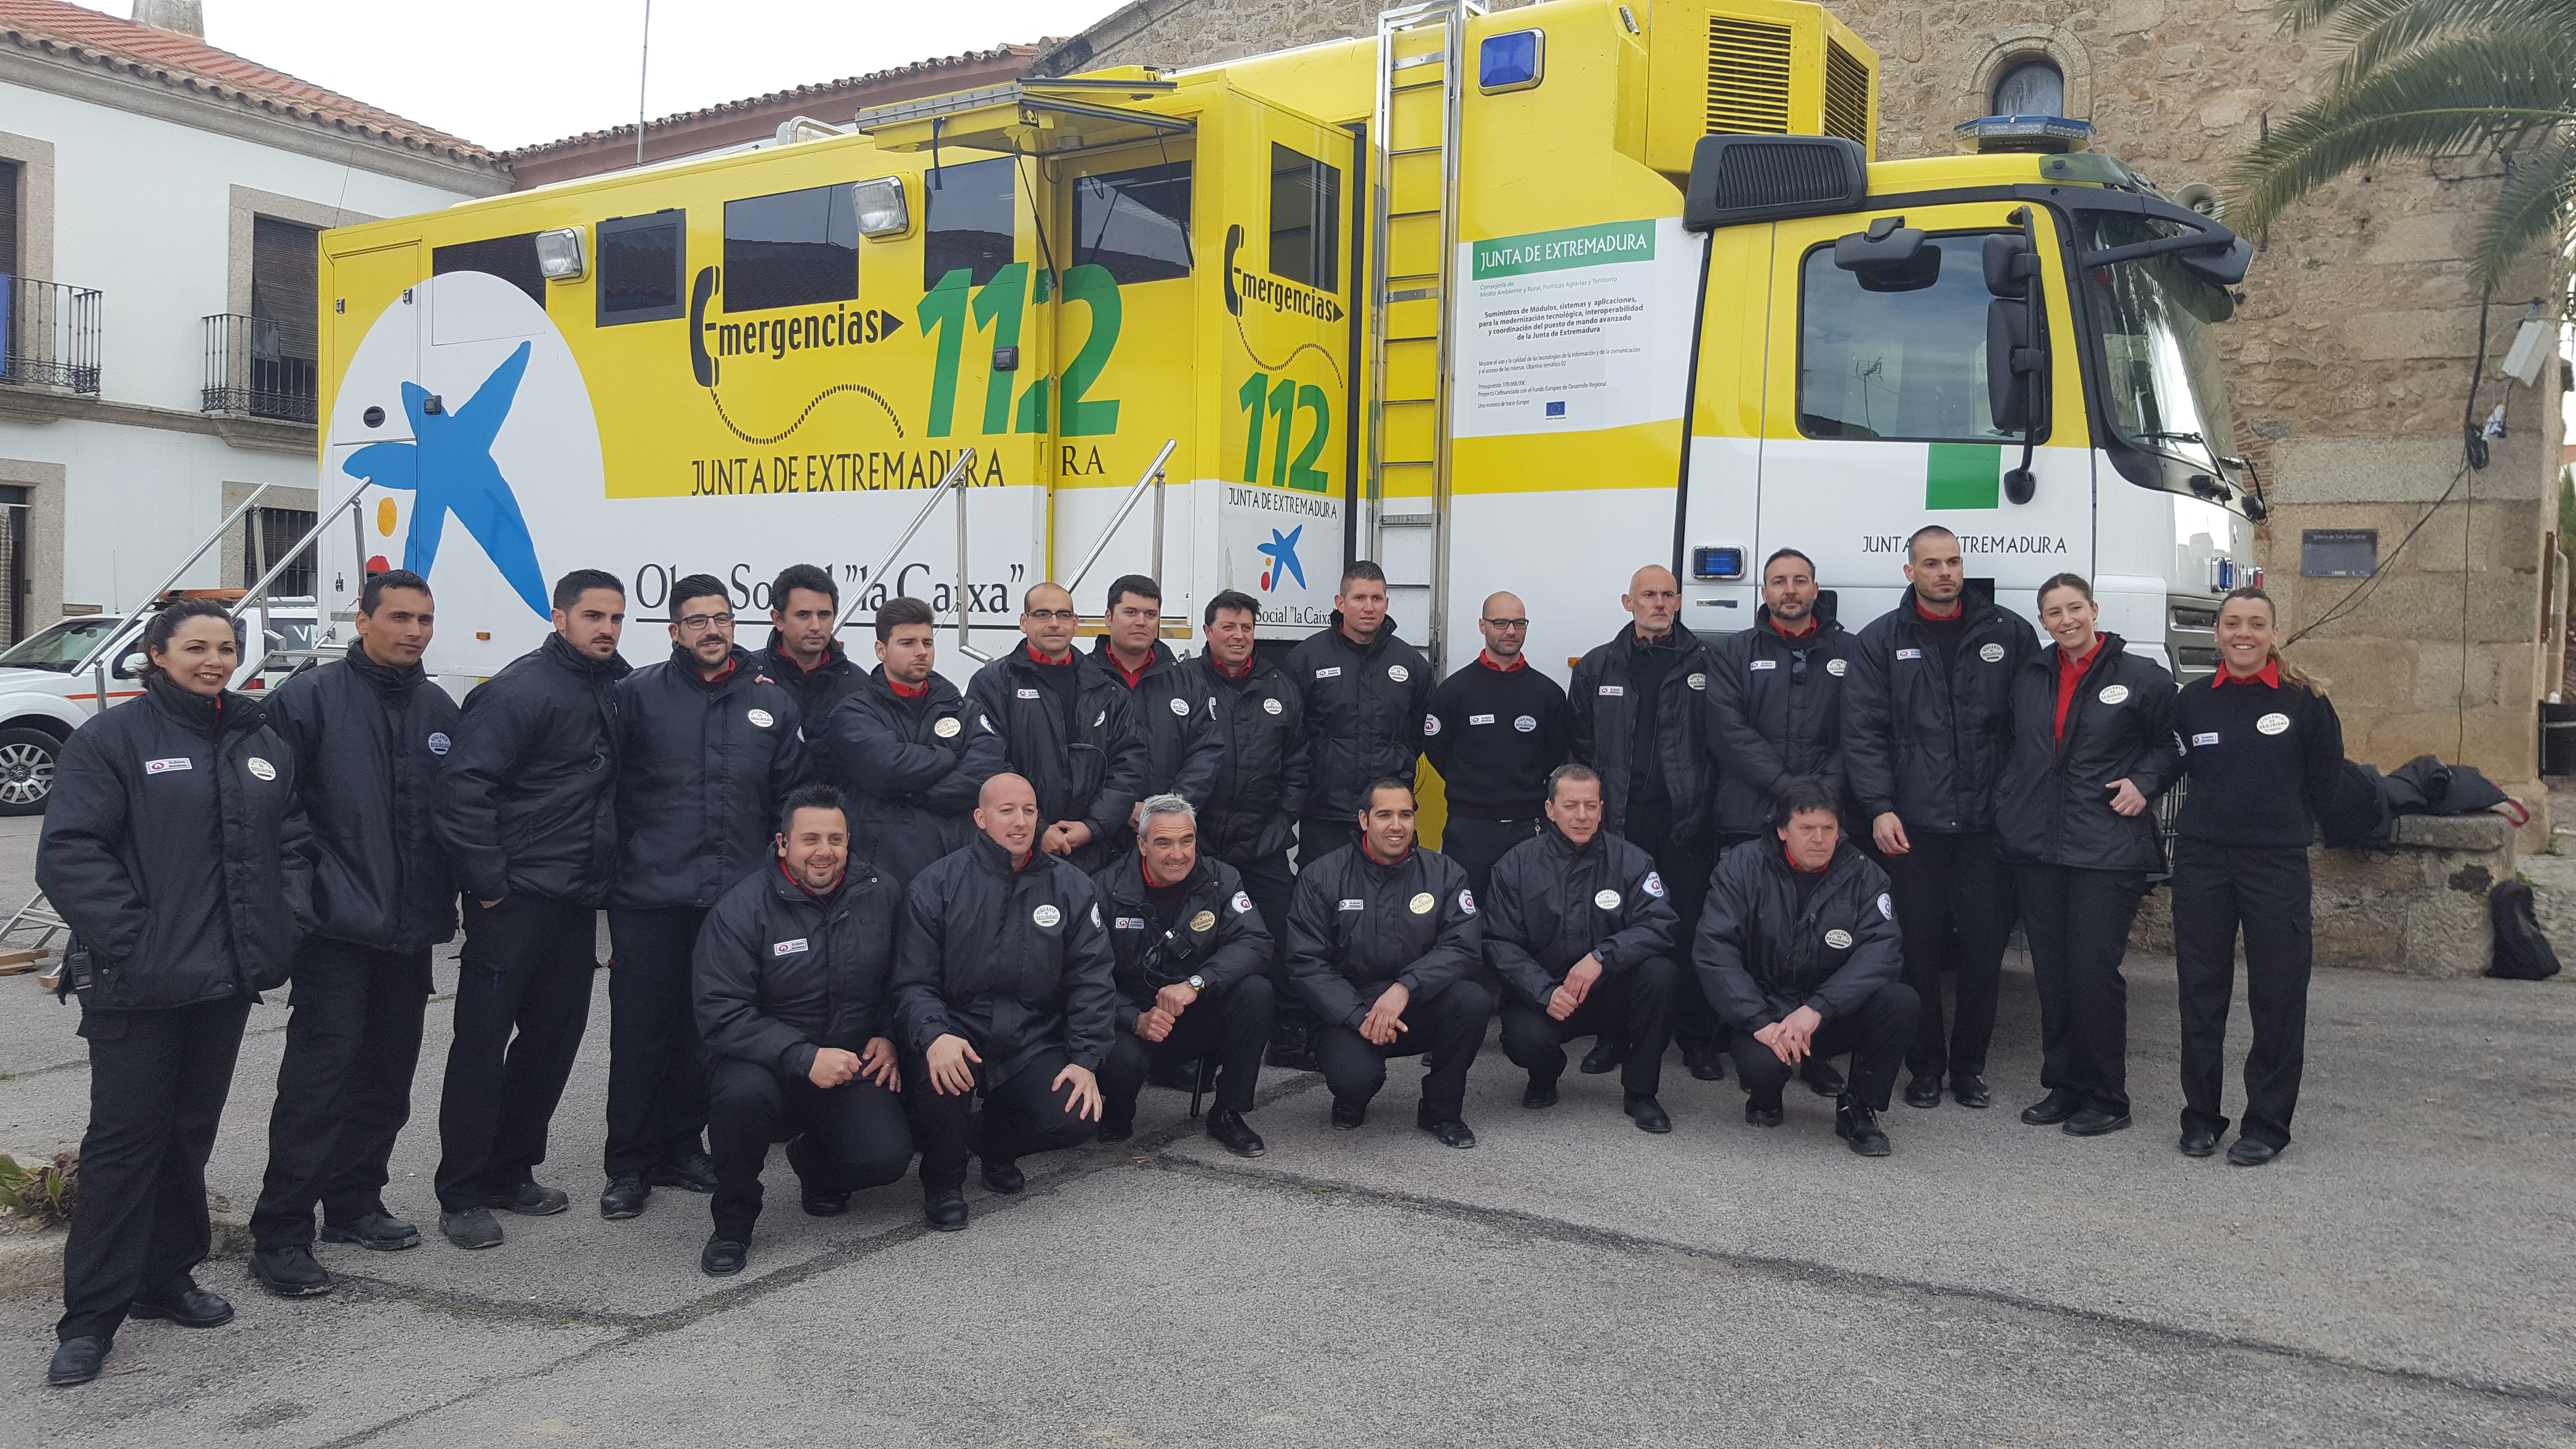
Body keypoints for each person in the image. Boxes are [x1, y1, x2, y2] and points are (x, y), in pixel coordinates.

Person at [37, 597, 313, 1386]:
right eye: (196, 646)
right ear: (156, 653)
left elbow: (288, 844)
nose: (215, 659)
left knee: (188, 1135)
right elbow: (70, 856)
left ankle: (166, 1278)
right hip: (136, 985)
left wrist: (281, 927)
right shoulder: (112, 739)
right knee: (124, 1148)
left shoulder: (258, 738)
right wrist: (136, 941)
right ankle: (89, 1318)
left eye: (226, 647)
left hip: (222, 982)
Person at [246, 570, 460, 1299]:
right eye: (399, 617)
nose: (414, 631)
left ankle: (355, 1204)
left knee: (385, 1081)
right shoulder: (306, 701)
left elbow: (447, 818)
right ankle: (279, 1235)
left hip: (408, 932)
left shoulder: (438, 706)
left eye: (425, 619)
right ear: (362, 621)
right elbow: (271, 810)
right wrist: (305, 898)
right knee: (317, 1086)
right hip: (335, 931)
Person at [431, 569, 631, 1251]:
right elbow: (463, 790)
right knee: (482, 1050)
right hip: (512, 903)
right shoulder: (520, 691)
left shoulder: (613, 685)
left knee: (552, 1044)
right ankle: (460, 1192)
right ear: (560, 617)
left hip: (576, 902)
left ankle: (512, 1169)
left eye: (616, 618)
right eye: (594, 616)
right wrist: (488, 884)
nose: (607, 628)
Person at [599, 574, 805, 1220]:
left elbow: (789, 801)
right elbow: (606, 792)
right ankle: (629, 1164)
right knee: (640, 1034)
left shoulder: (774, 703)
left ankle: (683, 1147)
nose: (711, 631)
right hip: (649, 895)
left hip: (733, 902)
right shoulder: (635, 697)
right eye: (696, 622)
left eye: (721, 619)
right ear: (674, 632)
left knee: (705, 1032)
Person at [1843, 526, 2038, 1111]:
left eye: (1952, 561)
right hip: (1911, 830)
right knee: (1915, 952)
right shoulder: (1879, 640)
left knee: (1982, 953)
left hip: (1986, 828)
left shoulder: (2009, 632)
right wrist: (1878, 808)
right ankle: (1923, 1066)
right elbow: (1862, 735)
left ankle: (1968, 1069)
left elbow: (2028, 730)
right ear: (1910, 573)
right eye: (1930, 564)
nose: (1944, 573)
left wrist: (2014, 806)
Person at [692, 785, 912, 1275]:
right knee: (739, 1100)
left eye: (835, 839)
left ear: (848, 843)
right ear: (782, 843)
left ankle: (815, 1165)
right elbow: (720, 1011)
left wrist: (887, 1033)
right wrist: (803, 1057)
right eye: (810, 839)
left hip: (849, 1057)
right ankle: (732, 1224)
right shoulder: (741, 909)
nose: (824, 851)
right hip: (761, 1060)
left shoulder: (882, 893)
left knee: (886, 1160)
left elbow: (907, 977)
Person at [1995, 573, 2181, 1139]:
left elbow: (2175, 744)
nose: (2065, 620)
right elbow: (2011, 745)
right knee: (2051, 972)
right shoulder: (2030, 677)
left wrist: (2144, 783)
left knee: (2091, 970)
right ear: (2042, 621)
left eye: (2074, 608)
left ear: (2094, 609)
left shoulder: (2141, 678)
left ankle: (2106, 1096)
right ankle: (2062, 1086)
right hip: (2039, 846)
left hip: (2106, 847)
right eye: (2052, 613)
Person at [893, 773, 1117, 1229]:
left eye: (1029, 811)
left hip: (1032, 1035)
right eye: (1007, 811)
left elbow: (1092, 979)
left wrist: (1086, 1058)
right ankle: (944, 1183)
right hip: (959, 1029)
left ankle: (992, 1144)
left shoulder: (1073, 887)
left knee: (1076, 1116)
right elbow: (912, 982)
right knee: (942, 1077)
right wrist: (935, 1034)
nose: (1020, 822)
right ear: (981, 818)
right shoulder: (937, 884)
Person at [2168, 586, 2342, 1166]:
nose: (2243, 633)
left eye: (2255, 624)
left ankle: (2266, 1125)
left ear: (2272, 634)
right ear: (2217, 634)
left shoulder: (2304, 702)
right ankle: (2200, 1119)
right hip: (2201, 863)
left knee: (2277, 996)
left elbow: (2326, 782)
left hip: (2275, 866)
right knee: (2200, 994)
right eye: (2232, 623)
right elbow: (2171, 764)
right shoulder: (2191, 702)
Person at [1694, 777, 1917, 1157]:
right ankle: (1765, 1099)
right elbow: (1714, 949)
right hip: (1765, 1012)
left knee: (1900, 1001)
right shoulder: (1742, 867)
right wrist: (1758, 1020)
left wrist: (1818, 1008)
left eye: (1828, 828)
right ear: (1782, 831)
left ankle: (1858, 1109)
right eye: (1807, 828)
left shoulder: (1866, 875)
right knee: (1761, 1068)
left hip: (1828, 1012)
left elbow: (1882, 951)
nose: (1819, 838)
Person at [1708, 547, 1857, 1099]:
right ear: (1763, 592)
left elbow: (1858, 729)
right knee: (1750, 937)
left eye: (1799, 581)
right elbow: (1727, 731)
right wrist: (1791, 792)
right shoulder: (1732, 653)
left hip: (1826, 820)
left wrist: (1818, 801)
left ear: (1815, 589)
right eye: (1778, 582)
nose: (1789, 590)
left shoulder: (1850, 651)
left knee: (1821, 940)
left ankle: (1812, 1051)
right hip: (1748, 816)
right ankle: (1749, 1037)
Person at [1569, 564, 1725, 1080]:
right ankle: (1613, 1035)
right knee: (1615, 928)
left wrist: (1704, 808)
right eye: (1647, 595)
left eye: (1666, 595)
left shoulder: (1708, 662)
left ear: (1678, 602)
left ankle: (1695, 1038)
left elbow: (1722, 746)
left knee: (1688, 930)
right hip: (1618, 826)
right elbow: (1581, 749)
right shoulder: (1597, 667)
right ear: (1627, 602)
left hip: (1684, 824)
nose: (1658, 603)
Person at [1284, 779, 1487, 1147]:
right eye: (1385, 815)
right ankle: (1350, 1100)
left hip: (1416, 1002)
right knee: (1355, 1078)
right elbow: (1306, 962)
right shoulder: (1321, 876)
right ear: (1364, 820)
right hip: (1348, 1009)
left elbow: (1463, 947)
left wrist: (1405, 987)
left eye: (1406, 815)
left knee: (1471, 1000)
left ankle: (1442, 1111)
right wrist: (1359, 1017)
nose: (1397, 826)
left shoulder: (1446, 874)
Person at [1486, 764, 1682, 1133]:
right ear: (1550, 809)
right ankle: (1544, 1076)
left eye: (1591, 806)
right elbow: (1498, 943)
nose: (1582, 816)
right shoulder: (1516, 865)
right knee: (1525, 1042)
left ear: (1602, 808)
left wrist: (1602, 957)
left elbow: (1661, 923)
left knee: (1661, 974)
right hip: (1547, 995)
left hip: (1610, 990)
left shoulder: (1632, 861)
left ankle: (1641, 1094)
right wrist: (1545, 992)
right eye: (1571, 805)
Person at [1091, 795, 1274, 1157]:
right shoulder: (1103, 889)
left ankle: (1227, 1112)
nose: (1178, 854)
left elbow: (1256, 941)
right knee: (1122, 1060)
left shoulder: (1223, 879)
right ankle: (1117, 1110)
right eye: (1164, 842)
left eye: (1186, 841)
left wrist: (1197, 983)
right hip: (1130, 1021)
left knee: (1257, 992)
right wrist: (1135, 1019)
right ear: (1142, 844)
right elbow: (1083, 976)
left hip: (1192, 1011)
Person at [1190, 589, 1314, 1070]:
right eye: (1228, 627)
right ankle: (1197, 1044)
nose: (1238, 636)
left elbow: (1298, 765)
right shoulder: (1184, 685)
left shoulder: (1280, 689)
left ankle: (1286, 1033)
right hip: (1196, 845)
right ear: (1207, 632)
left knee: (1283, 934)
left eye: (1246, 628)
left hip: (1263, 843)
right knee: (1196, 939)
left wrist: (1284, 821)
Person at [966, 582, 1146, 874]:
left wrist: (1092, 827)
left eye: (1063, 615)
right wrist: (1038, 827)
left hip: (1095, 852)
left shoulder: (1108, 688)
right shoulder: (993, 683)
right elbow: (987, 762)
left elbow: (1128, 765)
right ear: (1024, 622)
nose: (1054, 624)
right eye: (1042, 615)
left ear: (1075, 624)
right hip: (1017, 851)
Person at [824, 595, 1004, 887]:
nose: (921, 652)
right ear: (881, 650)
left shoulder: (965, 708)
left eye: (927, 643)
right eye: (908, 643)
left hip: (962, 867)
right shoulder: (853, 712)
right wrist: (949, 757)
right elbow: (888, 769)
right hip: (886, 872)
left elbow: (987, 773)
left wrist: (916, 793)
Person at [1425, 591, 1573, 906]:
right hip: (1469, 830)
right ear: (1482, 625)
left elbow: (1556, 753)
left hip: (1530, 830)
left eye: (1519, 623)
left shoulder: (1548, 694)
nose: (1510, 631)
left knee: (1531, 917)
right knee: (1464, 920)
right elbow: (1437, 750)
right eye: (1501, 622)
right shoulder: (1455, 692)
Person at [1285, 561, 1432, 866]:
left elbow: (1419, 732)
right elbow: (1289, 736)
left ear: (1387, 603)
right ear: (1340, 603)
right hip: (1325, 812)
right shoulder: (1306, 660)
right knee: (1322, 901)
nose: (1369, 607)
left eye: (1377, 599)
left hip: (1388, 815)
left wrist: (1399, 765)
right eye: (1359, 598)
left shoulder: (1411, 664)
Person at [1091, 574, 1220, 835]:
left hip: (1168, 836)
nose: (1141, 622)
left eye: (1151, 614)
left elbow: (1206, 752)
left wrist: (1166, 811)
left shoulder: (1187, 683)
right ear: (1108, 618)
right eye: (1131, 612)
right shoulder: (1083, 679)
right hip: (1096, 833)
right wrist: (1118, 809)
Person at [758, 562, 863, 728]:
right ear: (778, 619)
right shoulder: (748, 678)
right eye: (803, 615)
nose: (816, 626)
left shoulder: (859, 684)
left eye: (824, 615)